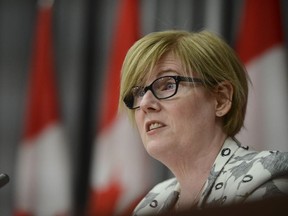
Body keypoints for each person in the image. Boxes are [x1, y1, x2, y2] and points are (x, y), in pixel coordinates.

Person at [119, 30, 288, 215]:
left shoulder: (266, 178)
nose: (144, 104)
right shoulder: (151, 203)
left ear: (221, 99)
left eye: (167, 85)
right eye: (139, 93)